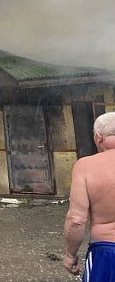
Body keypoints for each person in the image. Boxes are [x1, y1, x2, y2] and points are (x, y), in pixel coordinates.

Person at [64, 112, 115, 280]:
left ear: (98, 137)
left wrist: (70, 255)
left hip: (107, 252)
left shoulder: (86, 166)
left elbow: (76, 220)